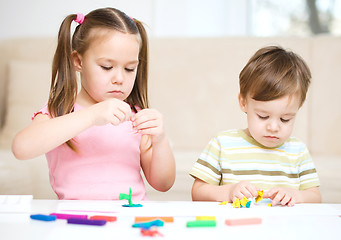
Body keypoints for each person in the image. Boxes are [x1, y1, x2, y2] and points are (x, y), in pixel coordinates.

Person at [12, 8, 175, 200]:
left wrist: (160, 140)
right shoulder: (61, 111)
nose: (119, 78)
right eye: (107, 67)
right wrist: (91, 115)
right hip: (76, 220)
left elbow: (163, 184)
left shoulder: (135, 117)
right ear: (78, 61)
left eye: (130, 68)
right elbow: (21, 148)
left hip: (129, 218)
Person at [189, 46, 321, 206]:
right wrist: (229, 192)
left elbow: (315, 196)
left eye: (285, 119)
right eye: (263, 116)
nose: (273, 127)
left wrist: (297, 195)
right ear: (243, 102)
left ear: (297, 109)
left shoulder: (297, 151)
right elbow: (198, 191)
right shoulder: (223, 144)